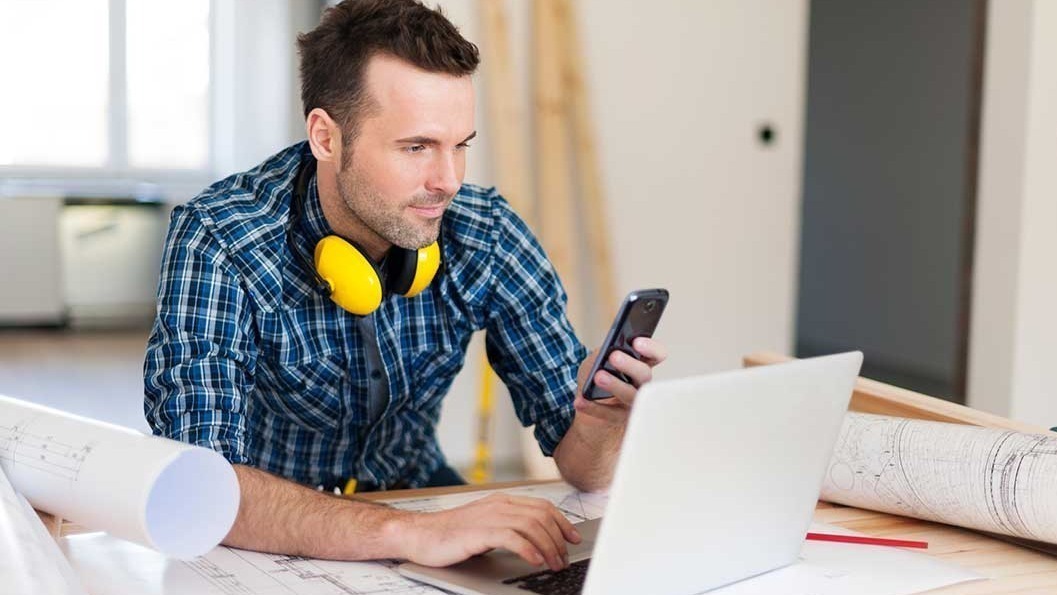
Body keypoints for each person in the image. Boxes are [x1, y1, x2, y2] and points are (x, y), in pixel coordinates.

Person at [143, 0, 666, 572]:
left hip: (417, 492)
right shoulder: (220, 236)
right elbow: (203, 486)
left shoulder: (484, 232)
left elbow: (585, 469)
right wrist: (410, 533)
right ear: (325, 137)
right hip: (270, 523)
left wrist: (600, 423)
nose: (447, 181)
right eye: (416, 147)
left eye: (460, 144)